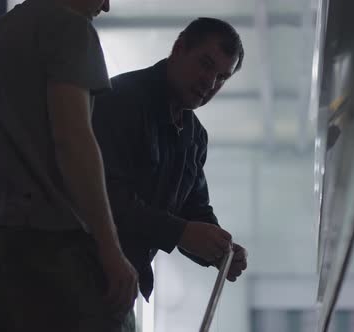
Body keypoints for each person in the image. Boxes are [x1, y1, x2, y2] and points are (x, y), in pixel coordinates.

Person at [0, 0, 138, 331]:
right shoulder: (71, 29)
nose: (107, 6)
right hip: (56, 254)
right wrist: (110, 249)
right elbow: (73, 140)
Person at [92, 17, 249, 307]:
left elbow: (194, 211)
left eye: (222, 78)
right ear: (179, 48)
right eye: (205, 64)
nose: (210, 82)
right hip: (80, 274)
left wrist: (219, 250)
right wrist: (180, 232)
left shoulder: (194, 137)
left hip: (121, 287)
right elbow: (101, 195)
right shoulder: (120, 101)